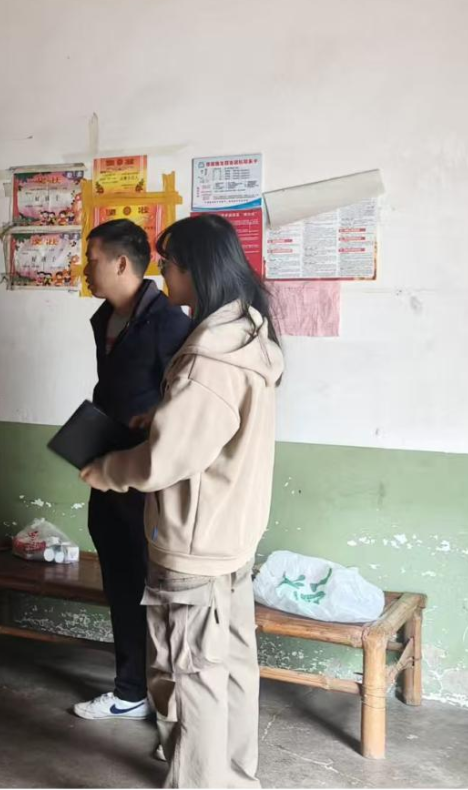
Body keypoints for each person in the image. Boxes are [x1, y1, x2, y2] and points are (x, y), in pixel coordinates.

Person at [80, 214, 283, 788]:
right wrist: (161, 419)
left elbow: (164, 461)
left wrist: (108, 470)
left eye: (167, 263)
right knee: (232, 666)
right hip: (232, 533)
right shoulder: (246, 334)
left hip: (194, 540)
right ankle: (234, 777)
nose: (161, 272)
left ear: (195, 269)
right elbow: (208, 427)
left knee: (188, 675)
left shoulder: (207, 355)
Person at [74, 219, 190, 722]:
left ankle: (173, 704)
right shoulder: (104, 318)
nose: (85, 269)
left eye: (92, 259)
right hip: (107, 472)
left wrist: (147, 431)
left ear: (121, 263)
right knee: (120, 584)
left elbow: (182, 407)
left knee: (156, 592)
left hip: (149, 482)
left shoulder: (169, 324)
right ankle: (130, 690)